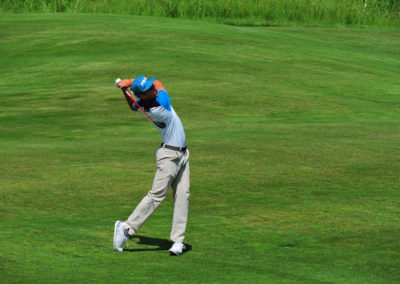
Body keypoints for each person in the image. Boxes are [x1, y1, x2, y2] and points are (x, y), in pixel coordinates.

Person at [113, 75, 190, 256]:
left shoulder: (142, 104)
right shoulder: (160, 103)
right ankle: (126, 228)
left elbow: (133, 106)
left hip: (182, 154)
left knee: (183, 195)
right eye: (148, 90)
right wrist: (129, 82)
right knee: (157, 195)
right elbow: (160, 83)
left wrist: (126, 87)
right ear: (143, 96)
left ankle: (178, 241)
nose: (152, 89)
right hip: (169, 156)